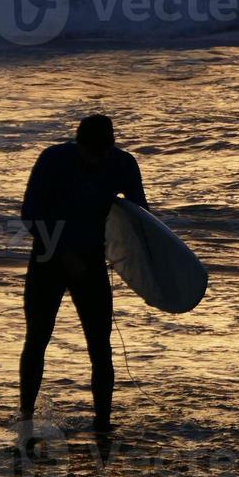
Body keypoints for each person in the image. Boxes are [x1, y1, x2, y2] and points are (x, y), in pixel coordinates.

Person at [19, 114, 146, 434]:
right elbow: (31, 215)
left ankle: (103, 422)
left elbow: (141, 218)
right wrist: (64, 255)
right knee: (37, 339)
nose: (96, 161)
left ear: (111, 147)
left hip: (90, 262)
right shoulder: (53, 160)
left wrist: (140, 266)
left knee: (100, 347)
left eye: (102, 154)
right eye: (90, 154)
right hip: (48, 259)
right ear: (78, 146)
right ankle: (26, 417)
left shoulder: (122, 165)